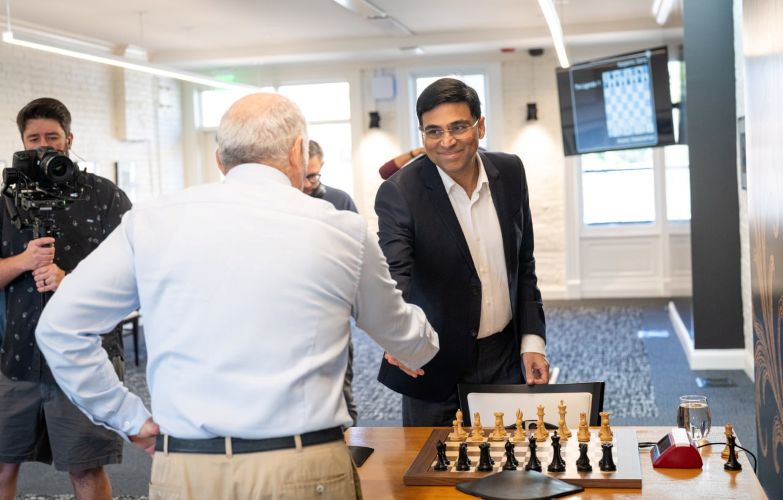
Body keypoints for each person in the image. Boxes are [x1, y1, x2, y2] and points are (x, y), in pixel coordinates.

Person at [35, 92, 439, 500]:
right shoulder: (341, 230)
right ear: (298, 152)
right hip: (303, 468)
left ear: (220, 160)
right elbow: (407, 340)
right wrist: (426, 338)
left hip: (187, 470)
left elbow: (59, 328)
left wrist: (129, 418)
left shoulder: (150, 222)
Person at [374, 78, 549, 427]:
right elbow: (396, 279)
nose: (447, 141)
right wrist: (397, 336)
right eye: (434, 131)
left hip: (504, 358)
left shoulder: (510, 172)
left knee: (511, 457)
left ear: (480, 126)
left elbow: (523, 263)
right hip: (432, 363)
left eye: (458, 127)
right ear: (423, 135)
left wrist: (532, 341)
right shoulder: (400, 192)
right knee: (434, 461)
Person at [0, 97, 132, 499]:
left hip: (84, 357)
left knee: (85, 468)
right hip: (17, 358)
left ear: (69, 139)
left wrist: (69, 280)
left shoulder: (104, 196)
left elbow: (134, 273)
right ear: (22, 142)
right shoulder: (6, 200)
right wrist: (23, 261)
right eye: (34, 138)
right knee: (2, 464)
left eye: (52, 137)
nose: (43, 145)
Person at [306, 139, 359, 425]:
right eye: (303, 176)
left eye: (314, 176)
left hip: (331, 312)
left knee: (341, 392)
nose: (308, 184)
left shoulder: (339, 202)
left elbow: (356, 257)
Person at [303, 140, 357, 211]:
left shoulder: (342, 201)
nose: (307, 185)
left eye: (312, 176)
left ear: (321, 165)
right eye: (301, 177)